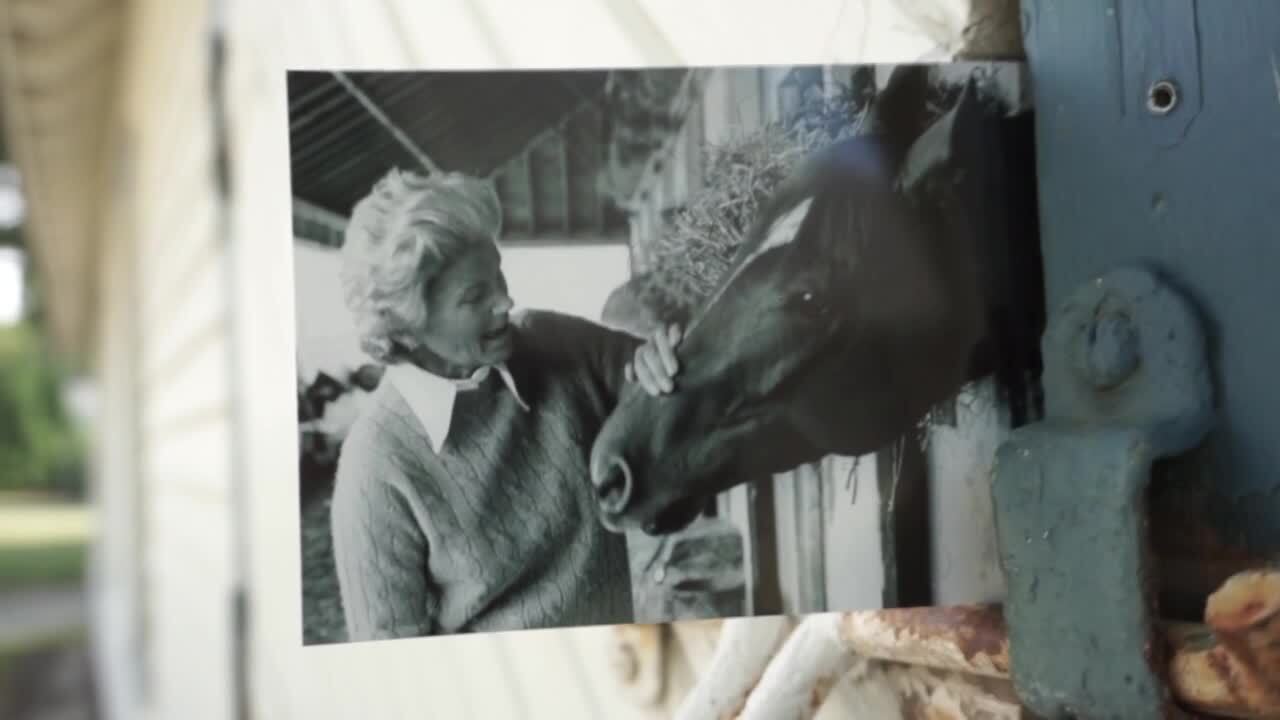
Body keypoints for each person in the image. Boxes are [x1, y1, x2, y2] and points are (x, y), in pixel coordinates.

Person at [329, 167, 681, 641]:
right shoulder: (376, 466)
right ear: (408, 327)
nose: (505, 301)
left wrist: (661, 359)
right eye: (475, 297)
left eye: (498, 275)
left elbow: (674, 385)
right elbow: (388, 660)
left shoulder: (556, 346)